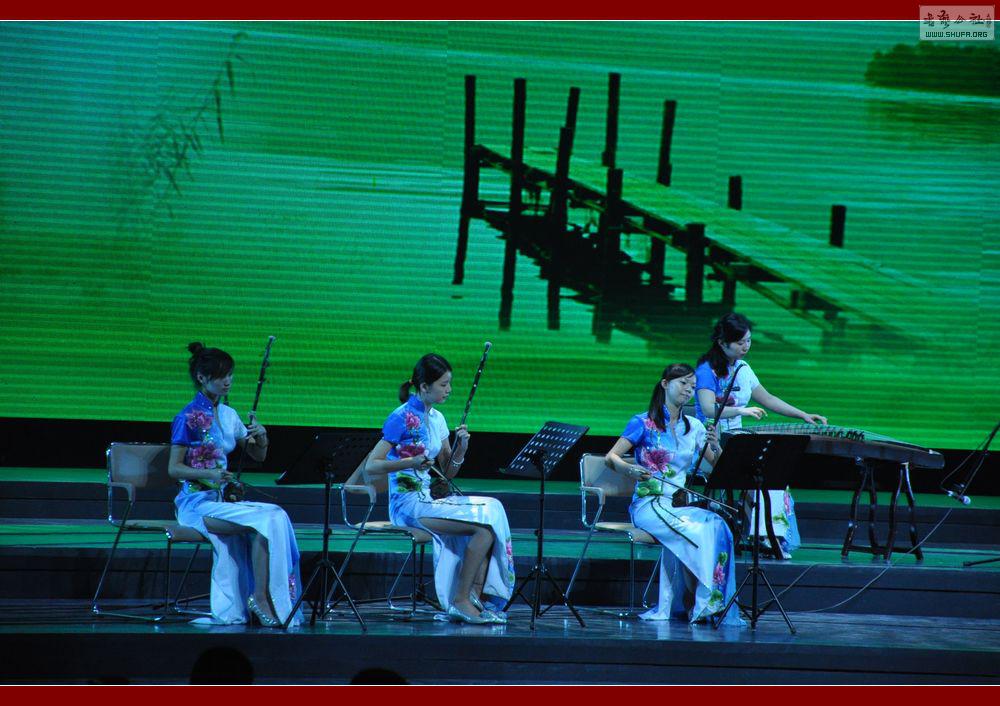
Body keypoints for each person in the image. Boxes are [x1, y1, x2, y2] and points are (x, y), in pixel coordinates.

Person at [366, 353, 515, 625]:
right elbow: (371, 466)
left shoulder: (437, 418)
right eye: (443, 384)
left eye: (449, 384)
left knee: (492, 510)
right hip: (408, 506)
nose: (449, 390)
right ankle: (460, 600)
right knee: (482, 531)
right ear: (424, 386)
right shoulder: (401, 417)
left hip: (428, 500)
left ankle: (475, 596)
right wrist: (409, 462)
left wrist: (462, 449)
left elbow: (447, 472)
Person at [168, 342, 302, 628]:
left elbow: (257, 454)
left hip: (222, 503)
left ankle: (271, 597)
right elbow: (173, 468)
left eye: (229, 374)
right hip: (196, 505)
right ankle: (260, 598)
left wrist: (262, 436)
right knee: (267, 519)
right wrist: (211, 475)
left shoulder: (229, 415)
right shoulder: (188, 417)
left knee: (276, 515)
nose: (227, 381)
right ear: (202, 378)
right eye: (220, 376)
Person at [605, 363, 742, 626]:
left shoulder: (695, 427)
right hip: (649, 504)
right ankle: (700, 602)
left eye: (693, 386)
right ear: (665, 384)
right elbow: (611, 457)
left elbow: (720, 469)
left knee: (718, 525)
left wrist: (716, 446)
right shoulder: (643, 423)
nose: (689, 390)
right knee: (695, 531)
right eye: (683, 383)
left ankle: (709, 600)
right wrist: (629, 469)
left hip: (678, 505)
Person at [693, 313, 827, 557]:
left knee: (771, 475)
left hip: (737, 440)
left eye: (749, 341)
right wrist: (741, 410)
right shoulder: (706, 370)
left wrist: (803, 414)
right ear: (722, 342)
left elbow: (768, 399)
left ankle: (770, 536)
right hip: (707, 440)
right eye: (740, 342)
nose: (746, 347)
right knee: (753, 476)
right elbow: (708, 408)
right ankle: (764, 535)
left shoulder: (743, 369)